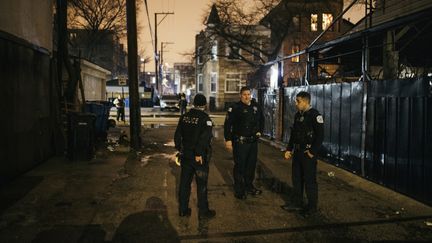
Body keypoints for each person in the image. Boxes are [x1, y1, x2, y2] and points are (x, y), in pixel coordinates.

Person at [174, 93, 216, 220]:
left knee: (185, 184)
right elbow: (204, 139)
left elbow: (177, 136)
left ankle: (183, 210)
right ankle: (203, 212)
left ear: (193, 103)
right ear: (204, 105)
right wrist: (198, 153)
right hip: (199, 157)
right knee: (201, 184)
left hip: (186, 155)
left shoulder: (184, 117)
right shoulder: (205, 119)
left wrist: (180, 149)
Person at [282, 91, 324, 217]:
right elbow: (293, 134)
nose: (296, 104)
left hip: (307, 153)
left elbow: (320, 136)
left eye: (298, 101)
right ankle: (297, 203)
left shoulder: (315, 115)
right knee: (297, 179)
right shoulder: (298, 115)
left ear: (306, 101)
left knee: (309, 181)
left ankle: (312, 208)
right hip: (298, 152)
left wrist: (312, 152)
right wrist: (289, 149)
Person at [224, 86, 264, 200]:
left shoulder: (256, 106)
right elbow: (228, 125)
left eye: (248, 94)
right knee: (240, 167)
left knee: (251, 166)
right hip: (240, 142)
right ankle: (239, 190)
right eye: (244, 94)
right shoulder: (235, 108)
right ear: (240, 95)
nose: (247, 96)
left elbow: (262, 120)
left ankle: (249, 186)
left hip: (252, 142)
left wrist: (260, 132)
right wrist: (228, 140)